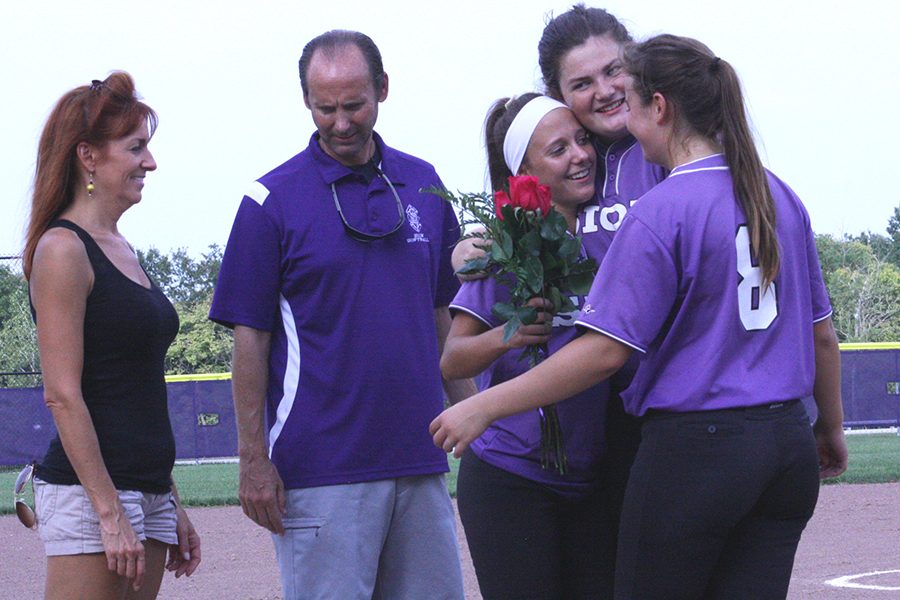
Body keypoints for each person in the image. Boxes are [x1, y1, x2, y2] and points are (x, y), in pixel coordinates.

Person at [431, 33, 848, 600]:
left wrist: (482, 404)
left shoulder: (656, 210)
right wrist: (829, 428)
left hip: (696, 447)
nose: (614, 108)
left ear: (658, 108)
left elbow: (606, 350)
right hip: (784, 444)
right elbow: (822, 336)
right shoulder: (777, 194)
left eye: (627, 96)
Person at [209, 30, 472, 600]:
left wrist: (474, 415)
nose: (341, 122)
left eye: (354, 104)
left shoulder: (423, 183)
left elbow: (442, 320)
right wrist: (253, 460)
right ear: (305, 100)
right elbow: (248, 343)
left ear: (382, 88)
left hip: (419, 460)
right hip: (320, 471)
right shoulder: (269, 202)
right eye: (325, 107)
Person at [451, 4, 667, 567]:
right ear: (557, 93)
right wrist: (479, 246)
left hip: (659, 417)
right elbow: (454, 351)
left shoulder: (665, 146)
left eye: (614, 70)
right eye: (581, 83)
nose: (604, 90)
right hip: (563, 440)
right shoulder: (535, 219)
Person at [23, 72, 201, 600]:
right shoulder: (63, 249)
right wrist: (109, 512)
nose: (150, 162)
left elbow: (134, 389)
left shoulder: (122, 247)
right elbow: (62, 394)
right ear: (89, 156)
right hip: (91, 497)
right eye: (136, 147)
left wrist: (169, 502)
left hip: (144, 491)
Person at [443, 93, 612, 599]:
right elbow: (454, 357)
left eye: (583, 140)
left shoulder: (611, 235)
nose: (580, 155)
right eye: (558, 149)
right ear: (525, 173)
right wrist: (509, 334)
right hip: (512, 476)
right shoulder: (506, 247)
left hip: (594, 475)